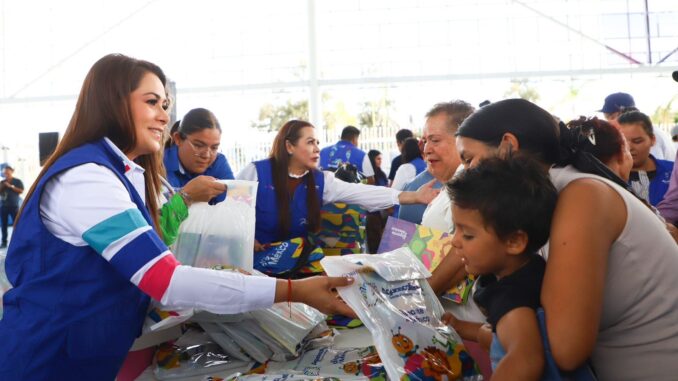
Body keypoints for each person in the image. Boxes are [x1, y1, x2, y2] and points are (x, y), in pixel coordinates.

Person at [0, 54, 355, 380]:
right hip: (45, 358)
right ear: (112, 101)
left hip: (85, 352)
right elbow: (164, 280)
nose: (164, 115)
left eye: (165, 105)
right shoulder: (87, 179)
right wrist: (293, 290)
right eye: (151, 102)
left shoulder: (123, 174)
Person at [452, 98, 678, 381]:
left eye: (468, 159)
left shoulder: (580, 196)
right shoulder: (554, 193)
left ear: (508, 144)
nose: (466, 173)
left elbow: (566, 349)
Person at [237, 120, 439, 250]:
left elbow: (362, 192)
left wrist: (413, 197)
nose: (317, 148)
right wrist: (246, 240)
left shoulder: (321, 181)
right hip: (250, 263)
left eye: (317, 142)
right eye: (310, 142)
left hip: (292, 261)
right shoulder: (255, 172)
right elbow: (230, 213)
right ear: (289, 146)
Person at [442, 154, 558, 380]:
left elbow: (525, 360)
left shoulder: (511, 296)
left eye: (467, 234)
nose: (455, 241)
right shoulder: (528, 270)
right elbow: (501, 332)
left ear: (514, 242)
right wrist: (460, 326)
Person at [164, 107, 233, 204]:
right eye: (198, 145)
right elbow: (157, 216)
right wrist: (187, 196)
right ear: (178, 139)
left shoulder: (219, 163)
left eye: (214, 148)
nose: (206, 155)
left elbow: (234, 206)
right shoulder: (159, 165)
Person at [617, 110, 674, 206]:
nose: (629, 148)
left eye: (637, 141)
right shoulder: (609, 176)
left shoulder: (673, 171)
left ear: (652, 140)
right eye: (622, 142)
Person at [598, 92, 675, 161]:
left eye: (611, 117)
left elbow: (654, 170)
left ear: (625, 113)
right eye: (606, 118)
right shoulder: (643, 129)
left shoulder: (646, 132)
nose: (608, 122)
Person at [0, 165, 23, 248]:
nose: (6, 174)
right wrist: (3, 185)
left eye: (7, 172)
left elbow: (21, 190)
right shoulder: (2, 182)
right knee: (4, 225)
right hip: (3, 207)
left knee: (17, 224)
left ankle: (19, 241)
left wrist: (11, 186)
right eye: (4, 173)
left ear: (11, 171)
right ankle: (4, 242)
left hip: (14, 206)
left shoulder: (17, 181)